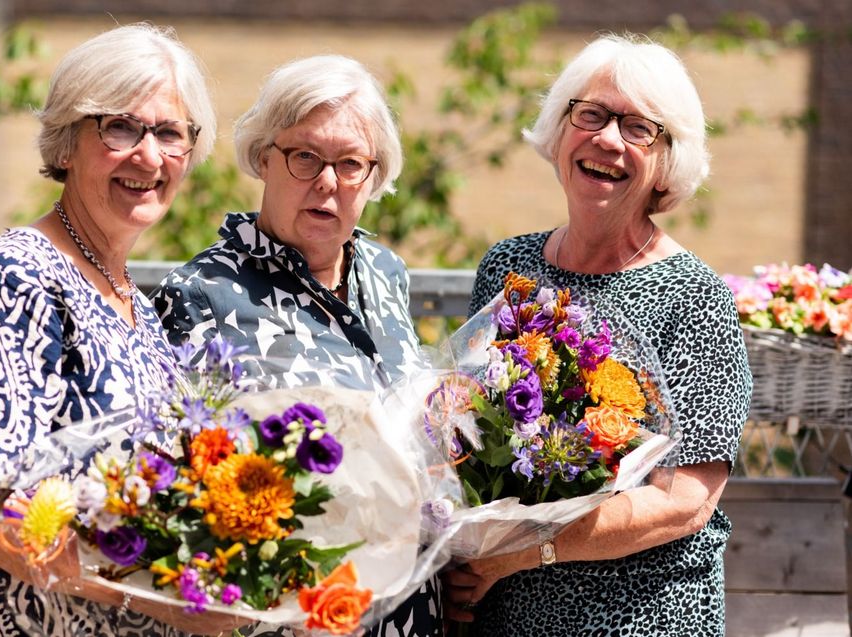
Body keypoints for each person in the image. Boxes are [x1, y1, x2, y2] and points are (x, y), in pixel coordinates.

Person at [0, 23, 234, 636]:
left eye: (170, 133)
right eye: (120, 127)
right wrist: (160, 599)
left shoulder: (131, 301)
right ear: (65, 144)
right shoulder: (16, 280)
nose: (148, 155)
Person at [442, 34, 752, 636]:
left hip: (638, 616)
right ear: (560, 130)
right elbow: (466, 437)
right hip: (503, 612)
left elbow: (687, 498)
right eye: (592, 114)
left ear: (667, 160)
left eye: (640, 128)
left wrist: (520, 554)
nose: (608, 139)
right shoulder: (509, 268)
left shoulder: (693, 295)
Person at [151, 55, 441, 636]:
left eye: (350, 163)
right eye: (305, 156)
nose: (328, 182)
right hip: (290, 615)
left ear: (374, 175)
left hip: (411, 610)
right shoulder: (201, 293)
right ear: (264, 156)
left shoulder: (385, 273)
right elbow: (182, 486)